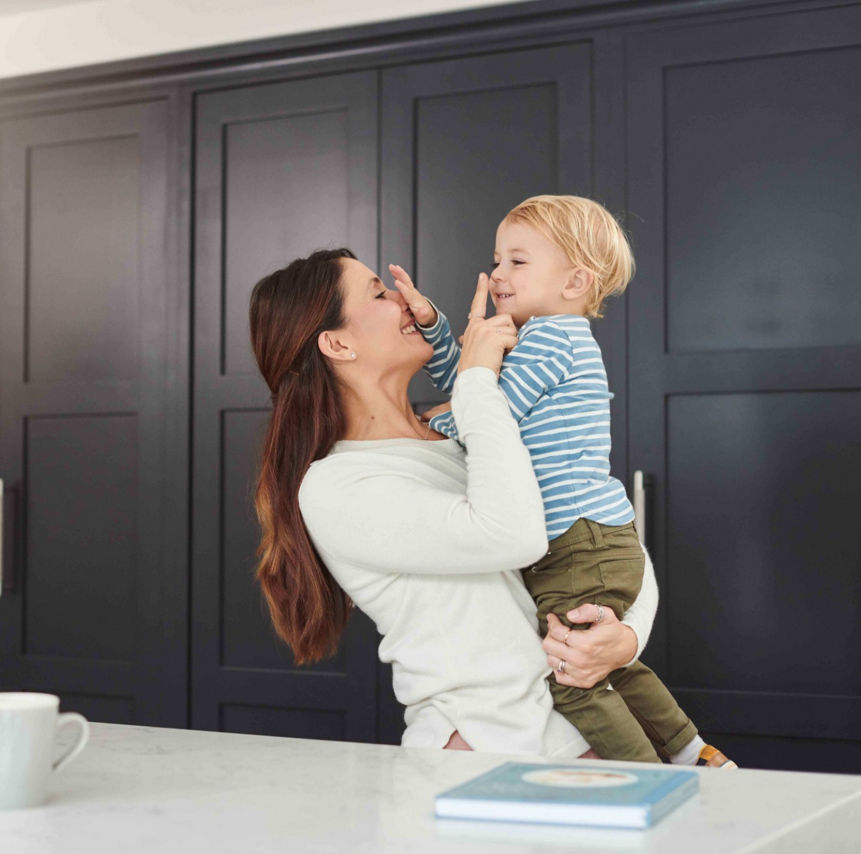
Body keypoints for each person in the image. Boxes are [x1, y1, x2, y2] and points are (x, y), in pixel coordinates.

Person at [249, 247, 656, 758]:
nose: (403, 300)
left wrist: (629, 638)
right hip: (484, 755)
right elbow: (512, 535)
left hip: (586, 737)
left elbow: (606, 535)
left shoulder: (466, 429)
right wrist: (478, 379)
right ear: (337, 343)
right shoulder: (338, 486)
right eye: (378, 292)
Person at [389, 194, 734, 768]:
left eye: (517, 262)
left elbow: (489, 409)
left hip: (575, 541)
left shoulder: (552, 338)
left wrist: (426, 422)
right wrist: (436, 327)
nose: (498, 274)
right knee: (613, 666)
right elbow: (473, 377)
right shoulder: (540, 338)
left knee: (573, 677)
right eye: (497, 259)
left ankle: (646, 780)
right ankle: (695, 756)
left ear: (575, 281)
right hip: (590, 536)